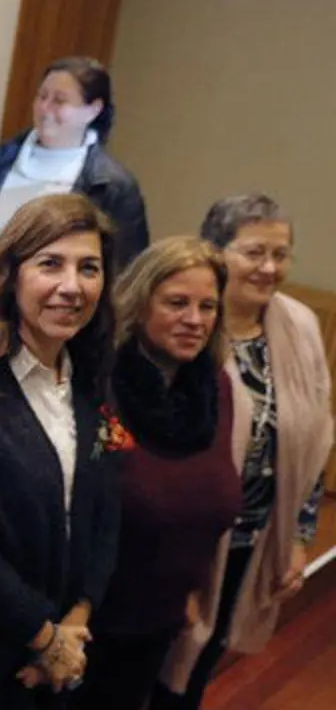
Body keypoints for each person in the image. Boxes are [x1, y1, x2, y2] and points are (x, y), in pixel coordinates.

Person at [0, 193, 124, 710]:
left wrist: (79, 616)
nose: (72, 285)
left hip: (66, 649)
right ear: (10, 273)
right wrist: (43, 637)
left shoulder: (92, 376)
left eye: (89, 268)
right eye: (50, 264)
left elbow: (106, 507)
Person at [154, 194, 333, 709]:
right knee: (148, 669)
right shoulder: (186, 326)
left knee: (200, 664)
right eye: (254, 252)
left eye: (281, 254)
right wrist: (181, 571)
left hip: (251, 537)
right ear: (215, 250)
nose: (269, 268)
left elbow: (315, 439)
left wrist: (296, 536)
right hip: (175, 549)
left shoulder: (299, 326)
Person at [72, 238, 243, 710]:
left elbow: (211, 498)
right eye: (176, 303)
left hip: (159, 620)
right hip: (83, 624)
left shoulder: (215, 388)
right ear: (139, 302)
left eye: (207, 306)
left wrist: (189, 588)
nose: (195, 319)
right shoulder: (97, 383)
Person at [0, 56, 148, 341]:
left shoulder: (114, 186)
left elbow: (123, 281)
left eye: (60, 101)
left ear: (93, 110)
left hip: (57, 337)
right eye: (42, 97)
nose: (45, 108)